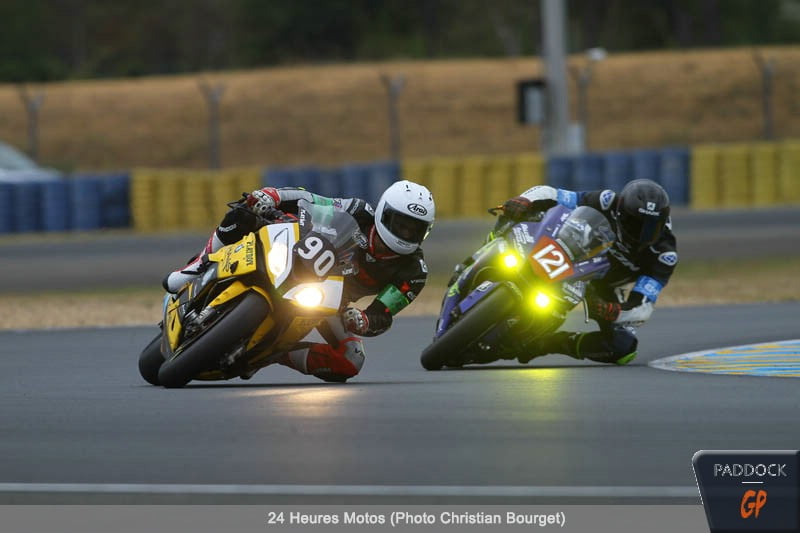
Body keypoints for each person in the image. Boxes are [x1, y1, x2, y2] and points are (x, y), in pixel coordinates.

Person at [164, 180, 435, 382]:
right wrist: (273, 196)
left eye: (414, 229)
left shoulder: (414, 273)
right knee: (244, 214)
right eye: (400, 223)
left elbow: (383, 314)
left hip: (331, 302)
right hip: (300, 253)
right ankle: (197, 266)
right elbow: (313, 200)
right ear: (383, 212)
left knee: (351, 359)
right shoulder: (359, 210)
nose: (405, 232)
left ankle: (273, 354)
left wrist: (363, 321)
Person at [475, 178, 677, 365]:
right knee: (518, 214)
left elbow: (643, 305)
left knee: (622, 347)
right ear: (620, 212)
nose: (641, 233)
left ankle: (545, 344)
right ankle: (484, 254)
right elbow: (552, 193)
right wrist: (525, 200)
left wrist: (613, 310)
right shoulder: (607, 201)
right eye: (635, 223)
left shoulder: (664, 255)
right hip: (572, 251)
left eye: (651, 227)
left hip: (603, 286)